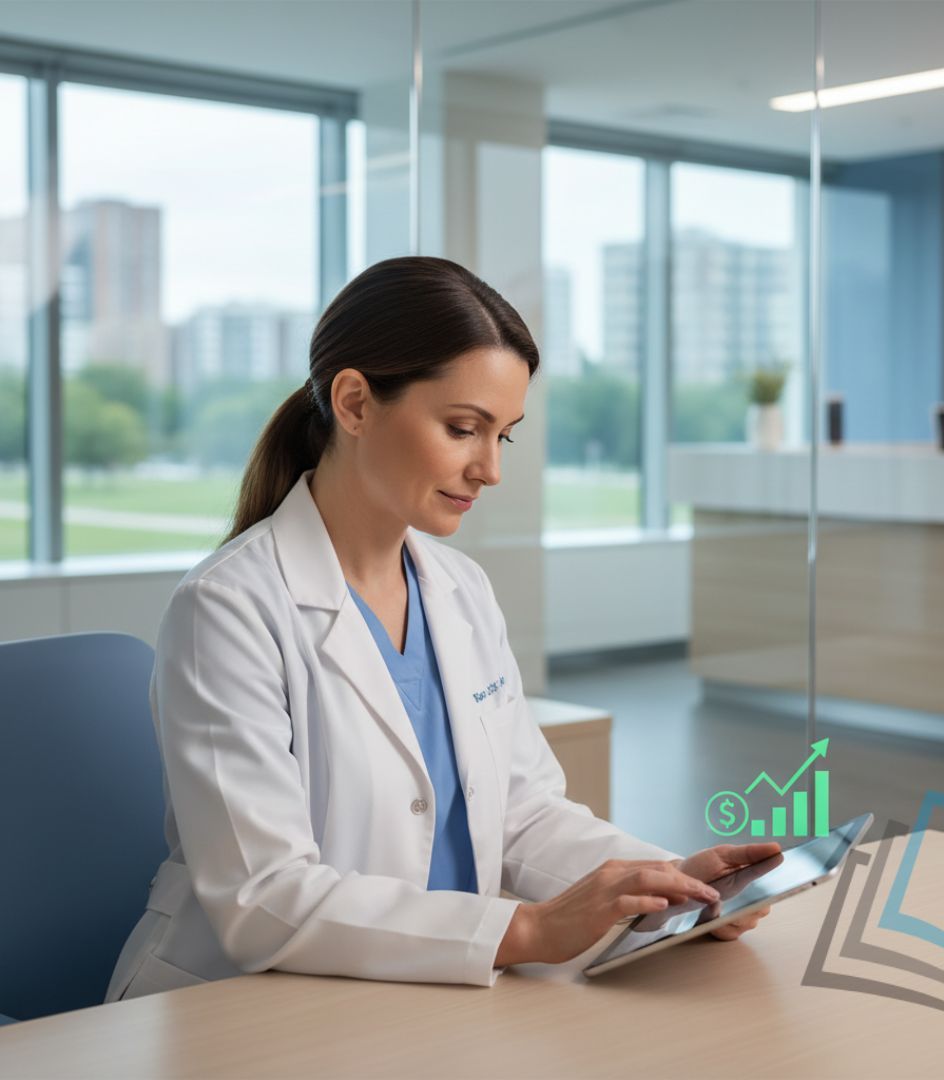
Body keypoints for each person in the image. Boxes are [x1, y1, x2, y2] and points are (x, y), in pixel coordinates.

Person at [105, 256, 775, 1001]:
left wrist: (665, 886)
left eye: (504, 437)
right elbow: (265, 898)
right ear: (355, 404)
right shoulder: (228, 608)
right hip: (243, 1007)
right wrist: (525, 932)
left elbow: (522, 815)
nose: (489, 469)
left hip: (421, 996)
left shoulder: (459, 590)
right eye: (464, 429)